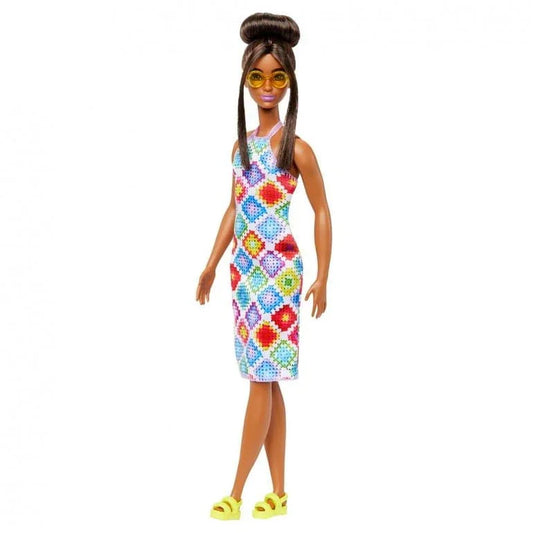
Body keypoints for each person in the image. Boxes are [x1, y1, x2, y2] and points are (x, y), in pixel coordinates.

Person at [196, 12, 332, 520]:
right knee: (266, 380)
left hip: (278, 275)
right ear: (246, 81)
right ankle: (278, 493)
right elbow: (235, 206)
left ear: (290, 81)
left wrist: (323, 275)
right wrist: (212, 263)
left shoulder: (297, 150)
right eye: (258, 77)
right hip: (245, 274)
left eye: (277, 76)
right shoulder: (241, 148)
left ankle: (235, 492)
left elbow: (321, 210)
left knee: (259, 379)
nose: (267, 86)